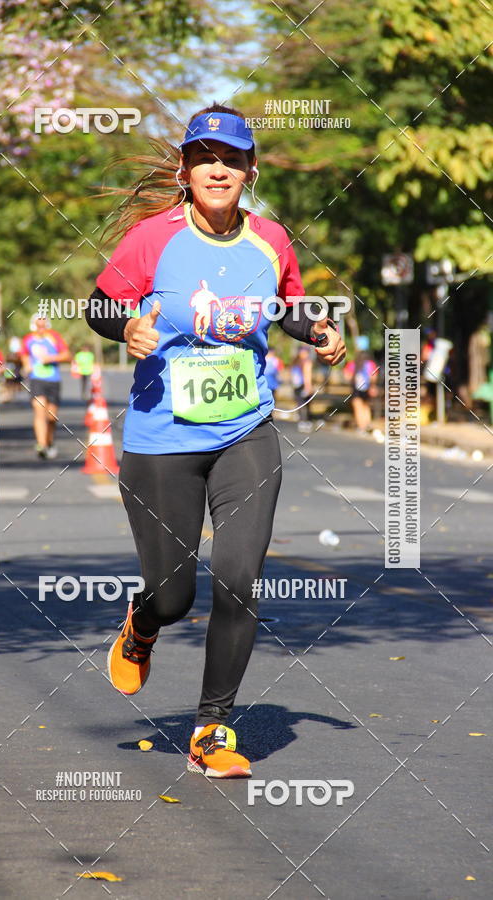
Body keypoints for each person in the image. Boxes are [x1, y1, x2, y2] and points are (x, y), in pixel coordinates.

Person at [85, 104, 345, 778]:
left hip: (245, 432)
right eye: (205, 157)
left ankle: (213, 727)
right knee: (173, 596)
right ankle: (143, 624)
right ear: (185, 170)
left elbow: (288, 304)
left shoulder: (271, 239)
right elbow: (101, 304)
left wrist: (318, 331)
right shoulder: (152, 239)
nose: (218, 168)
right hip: (161, 436)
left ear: (249, 170)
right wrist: (126, 331)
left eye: (231, 159)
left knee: (238, 579)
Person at [20, 314, 71, 458]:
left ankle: (49, 441)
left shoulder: (54, 337)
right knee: (39, 409)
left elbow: (67, 355)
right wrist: (26, 365)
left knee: (51, 417)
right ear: (33, 325)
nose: (41, 328)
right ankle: (41, 445)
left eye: (43, 325)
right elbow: (24, 354)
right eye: (38, 325)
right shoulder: (28, 339)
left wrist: (51, 358)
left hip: (53, 380)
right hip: (37, 380)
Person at [344, 335, 378, 431]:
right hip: (367, 387)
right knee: (366, 406)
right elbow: (374, 376)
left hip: (356, 388)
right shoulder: (370, 363)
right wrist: (372, 387)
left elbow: (347, 376)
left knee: (357, 406)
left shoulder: (353, 363)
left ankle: (361, 426)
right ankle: (367, 424)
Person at [290, 345, 314, 429]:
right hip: (301, 385)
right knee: (304, 404)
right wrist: (308, 387)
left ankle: (303, 421)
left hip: (298, 385)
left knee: (301, 403)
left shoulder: (296, 361)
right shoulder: (305, 362)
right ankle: (305, 421)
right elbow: (307, 375)